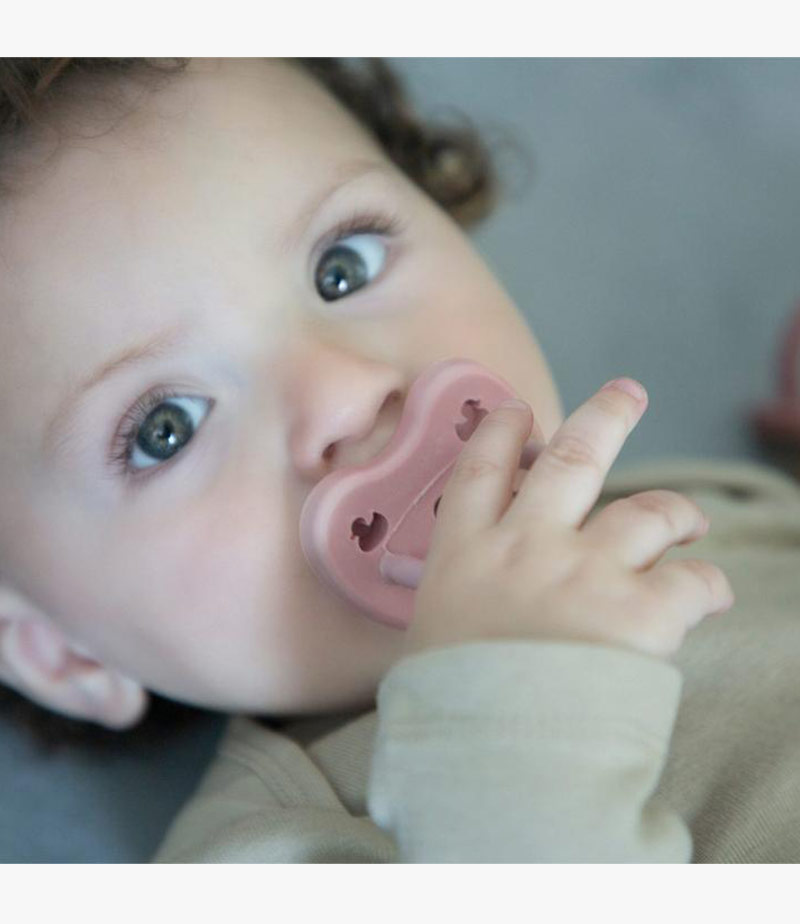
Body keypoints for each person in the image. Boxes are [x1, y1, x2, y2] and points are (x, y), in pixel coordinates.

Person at [0, 57, 797, 863]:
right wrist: (514, 714)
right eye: (165, 428)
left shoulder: (669, 505)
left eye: (342, 268)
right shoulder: (266, 853)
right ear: (59, 650)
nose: (346, 394)